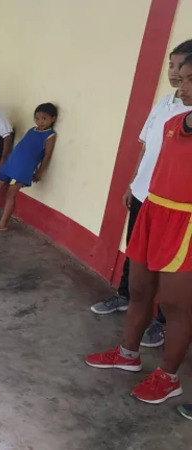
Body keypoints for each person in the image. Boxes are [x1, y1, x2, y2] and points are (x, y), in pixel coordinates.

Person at [86, 54, 192, 409]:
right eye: (183, 78)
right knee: (139, 289)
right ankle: (128, 353)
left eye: (191, 79)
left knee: (176, 305)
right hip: (153, 210)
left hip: (186, 222)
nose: (183, 86)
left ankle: (169, 377)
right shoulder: (173, 121)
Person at [0, 103, 58, 231]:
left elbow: (47, 156)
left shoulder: (50, 135)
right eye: (37, 118)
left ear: (53, 119)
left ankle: (2, 224)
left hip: (22, 170)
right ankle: (10, 186)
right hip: (11, 164)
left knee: (10, 195)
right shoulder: (32, 130)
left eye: (44, 118)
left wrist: (40, 172)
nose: (40, 122)